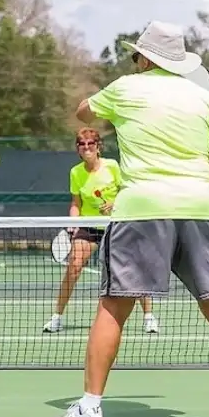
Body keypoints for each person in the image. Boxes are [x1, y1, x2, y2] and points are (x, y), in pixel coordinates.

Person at [56, 21, 209, 417]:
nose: (133, 61)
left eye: (136, 55)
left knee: (114, 306)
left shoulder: (125, 88)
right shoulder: (208, 102)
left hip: (142, 209)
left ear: (146, 58)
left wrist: (108, 110)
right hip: (201, 209)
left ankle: (90, 410)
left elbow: (83, 112)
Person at [42, 127, 159, 335]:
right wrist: (72, 222)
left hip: (116, 225)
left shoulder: (112, 166)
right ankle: (57, 317)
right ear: (78, 149)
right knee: (74, 266)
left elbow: (128, 191)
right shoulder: (76, 172)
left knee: (134, 269)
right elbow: (76, 203)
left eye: (90, 144)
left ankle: (149, 317)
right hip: (89, 226)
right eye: (82, 144)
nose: (86, 148)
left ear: (98, 147)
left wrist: (115, 202)